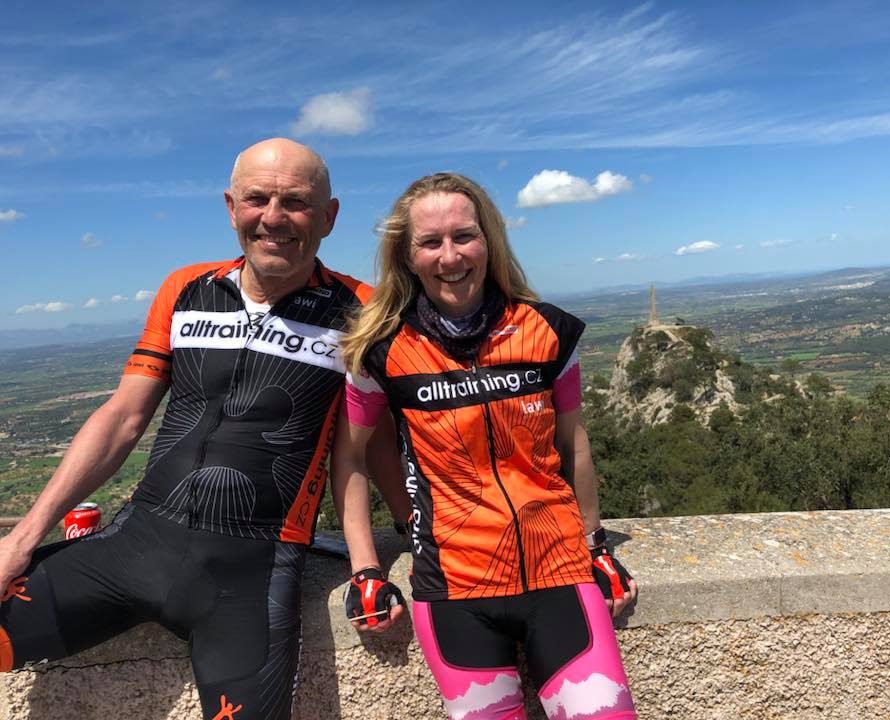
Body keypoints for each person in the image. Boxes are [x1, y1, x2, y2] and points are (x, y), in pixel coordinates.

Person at [0, 138, 408, 720]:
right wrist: (20, 540)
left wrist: (385, 554)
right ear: (231, 207)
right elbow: (122, 417)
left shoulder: (363, 311)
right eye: (257, 199)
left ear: (328, 217)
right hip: (132, 546)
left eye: (295, 202)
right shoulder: (185, 289)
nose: (273, 217)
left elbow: (363, 450)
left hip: (250, 576)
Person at [332, 172, 638, 719]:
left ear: (489, 240)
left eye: (464, 236)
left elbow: (574, 444)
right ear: (407, 256)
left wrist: (596, 545)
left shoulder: (549, 331)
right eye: (430, 242)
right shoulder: (380, 350)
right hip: (454, 589)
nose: (450, 256)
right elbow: (353, 456)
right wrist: (365, 569)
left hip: (560, 573)